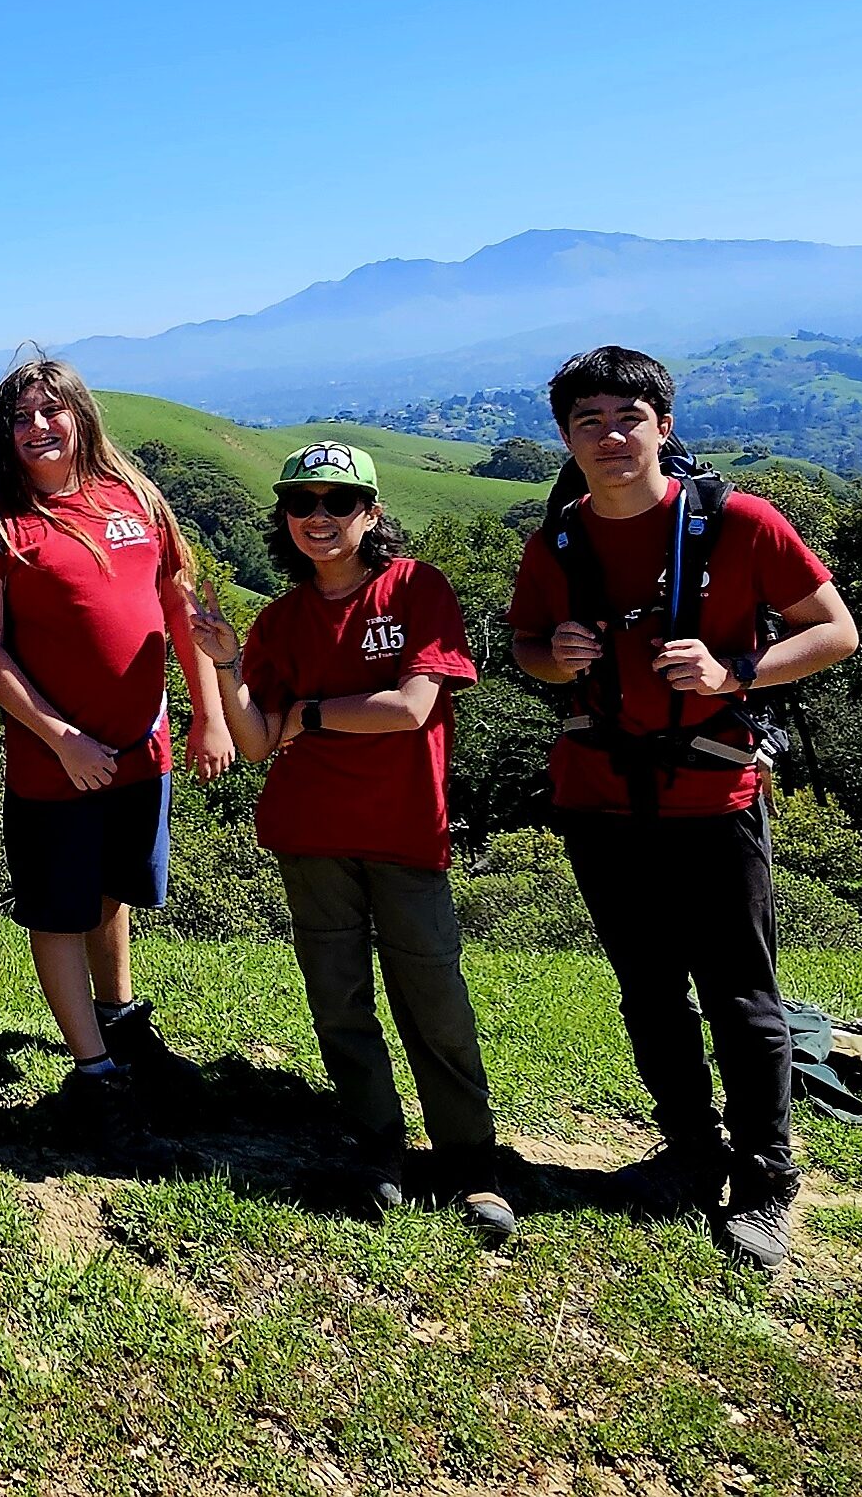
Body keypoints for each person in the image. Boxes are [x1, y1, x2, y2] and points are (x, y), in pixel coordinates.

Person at [509, 345, 858, 1272]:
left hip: (713, 791)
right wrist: (561, 654)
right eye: (589, 422)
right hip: (598, 795)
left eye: (628, 418)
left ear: (664, 426)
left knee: (744, 998)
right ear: (567, 439)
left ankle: (766, 1180)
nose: (611, 436)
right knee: (649, 990)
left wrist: (734, 670)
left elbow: (835, 630)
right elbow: (526, 648)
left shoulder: (738, 523)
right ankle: (690, 1155)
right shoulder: (559, 541)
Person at [191, 443, 514, 1242]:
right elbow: (258, 743)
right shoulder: (279, 621)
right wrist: (229, 668)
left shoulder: (416, 589)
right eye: (303, 503)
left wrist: (313, 713)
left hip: (404, 832)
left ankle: (472, 1163)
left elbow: (410, 708)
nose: (320, 516)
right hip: (311, 834)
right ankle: (379, 1150)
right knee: (340, 1003)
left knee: (433, 1001)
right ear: (285, 519)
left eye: (339, 501)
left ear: (372, 514)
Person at [0, 357, 235, 1147]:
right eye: (21, 417)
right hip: (55, 763)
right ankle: (94, 1074)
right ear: (3, 436)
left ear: (81, 415)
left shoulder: (139, 499)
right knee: (57, 908)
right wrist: (61, 737)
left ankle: (120, 1022)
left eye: (52, 411)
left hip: (145, 752)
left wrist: (207, 714)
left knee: (112, 893)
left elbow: (181, 614)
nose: (38, 427)